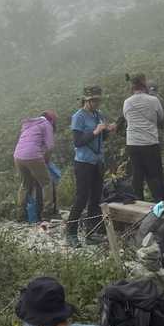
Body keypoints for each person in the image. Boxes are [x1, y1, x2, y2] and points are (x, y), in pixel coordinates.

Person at [66, 86, 116, 247]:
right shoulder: (78, 117)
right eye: (94, 100)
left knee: (96, 197)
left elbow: (102, 138)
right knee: (81, 198)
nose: (97, 103)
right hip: (83, 162)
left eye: (98, 100)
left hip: (98, 161)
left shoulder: (98, 115)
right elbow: (78, 141)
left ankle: (91, 233)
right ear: (86, 101)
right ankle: (71, 233)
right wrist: (95, 131)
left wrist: (108, 130)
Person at [122, 72, 164, 203]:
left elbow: (127, 118)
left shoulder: (127, 102)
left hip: (133, 143)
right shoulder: (154, 100)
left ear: (132, 86)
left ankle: (138, 203)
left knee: (137, 175)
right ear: (144, 84)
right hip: (150, 142)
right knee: (154, 176)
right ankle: (159, 204)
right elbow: (161, 117)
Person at [12, 111, 57, 226]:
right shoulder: (46, 124)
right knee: (46, 183)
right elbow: (50, 146)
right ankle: (46, 214)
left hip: (18, 156)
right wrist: (45, 160)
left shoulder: (29, 124)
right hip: (33, 156)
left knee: (25, 184)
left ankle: (20, 215)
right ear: (51, 120)